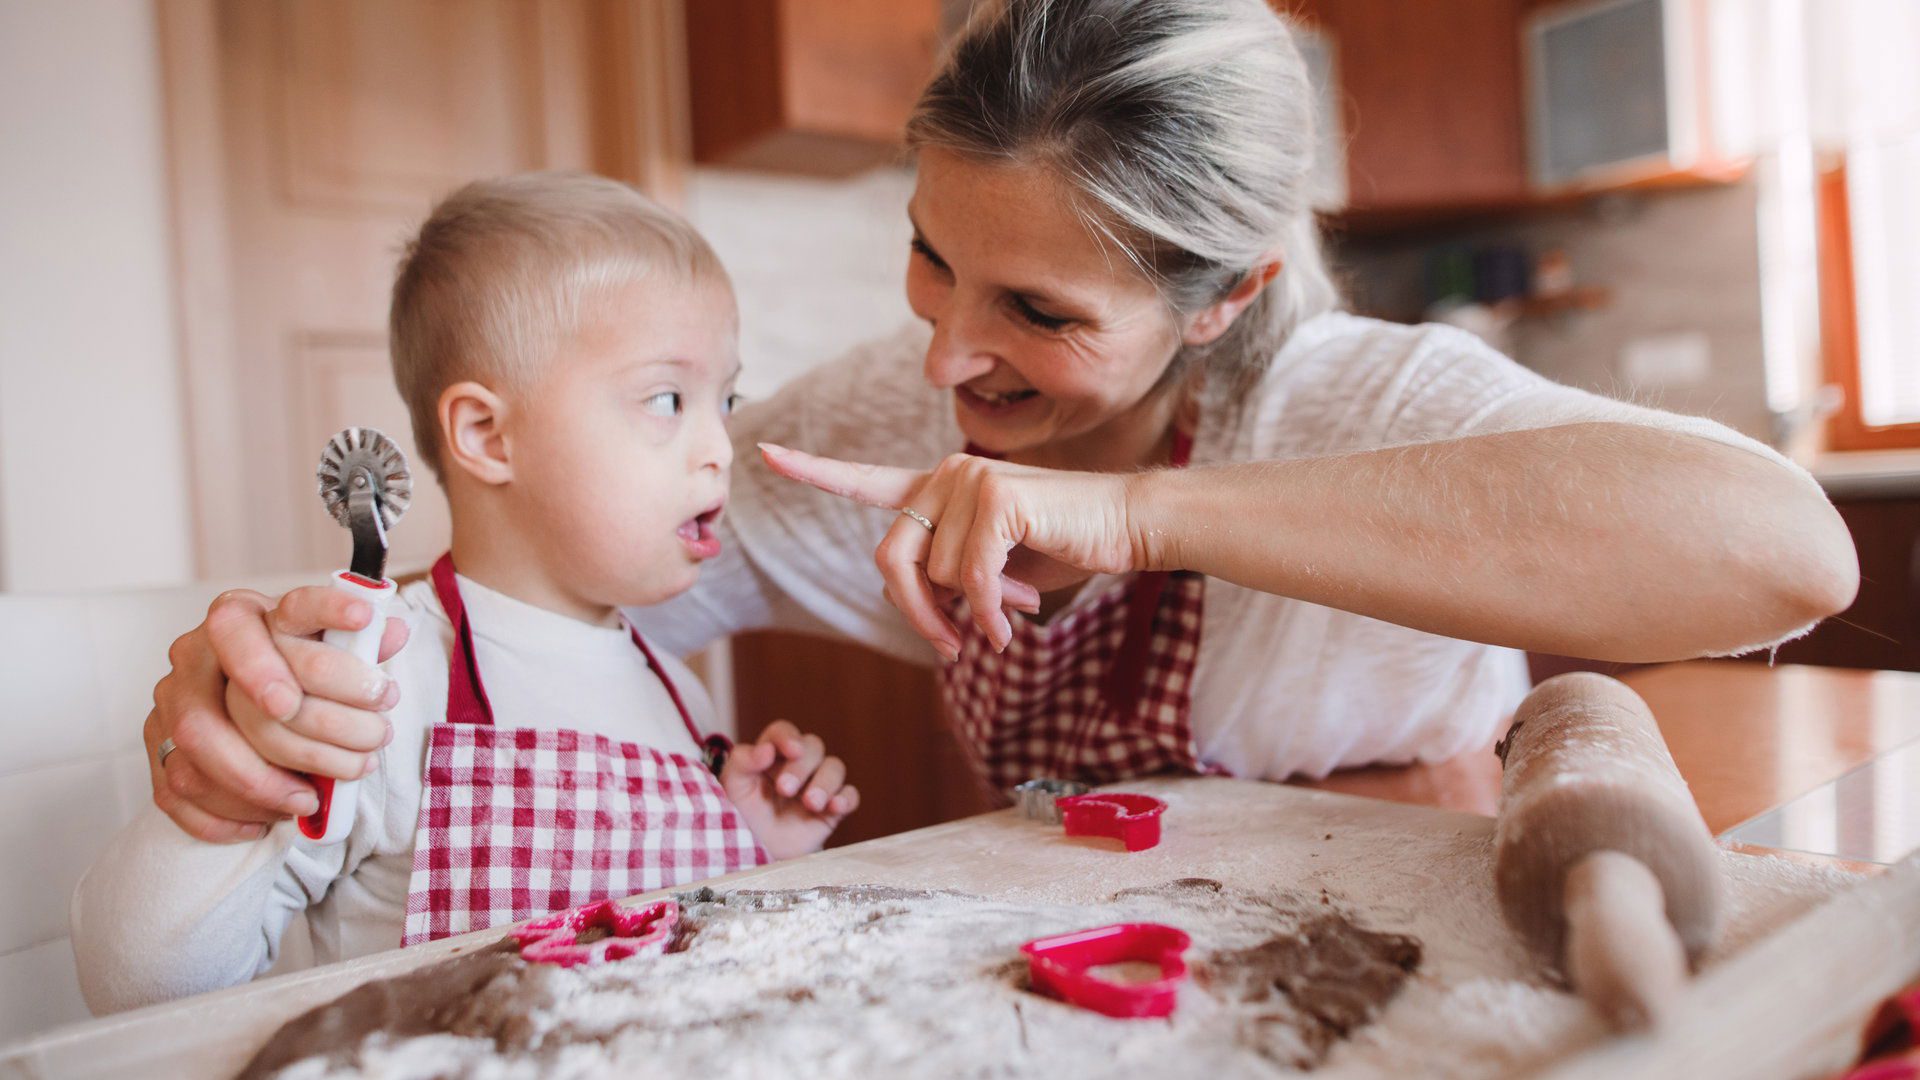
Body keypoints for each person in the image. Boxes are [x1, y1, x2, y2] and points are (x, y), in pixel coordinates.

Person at [138, 0, 1855, 843]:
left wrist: (1136, 519)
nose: (950, 358)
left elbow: (1785, 554)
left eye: (1038, 313)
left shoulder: (1362, 399)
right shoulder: (880, 415)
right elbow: (535, 586)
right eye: (930, 258)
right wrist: (293, 679)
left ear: (1229, 295)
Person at [70, 174, 859, 1012]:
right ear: (487, 436)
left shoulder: (681, 689)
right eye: (667, 399)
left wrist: (748, 843)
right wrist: (219, 809)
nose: (721, 448)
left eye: (725, 400)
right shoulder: (375, 690)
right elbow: (139, 986)